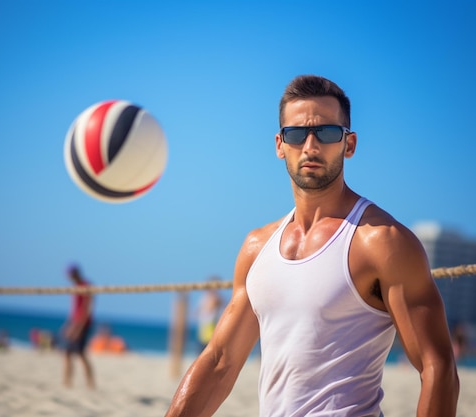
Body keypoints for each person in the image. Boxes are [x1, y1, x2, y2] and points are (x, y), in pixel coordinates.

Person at [164, 75, 459, 417]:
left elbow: (437, 368)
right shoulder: (256, 247)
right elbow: (220, 362)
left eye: (327, 133)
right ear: (279, 145)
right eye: (296, 134)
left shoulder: (382, 241)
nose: (310, 146)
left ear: (349, 144)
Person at [62, 264, 96, 389]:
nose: (68, 277)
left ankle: (90, 384)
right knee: (67, 353)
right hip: (75, 323)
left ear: (75, 273)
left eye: (70, 274)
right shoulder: (76, 287)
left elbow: (86, 309)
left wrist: (78, 328)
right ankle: (67, 383)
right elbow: (75, 310)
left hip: (82, 324)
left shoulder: (85, 286)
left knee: (81, 354)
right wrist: (69, 325)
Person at [196, 276, 224, 352]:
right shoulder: (204, 298)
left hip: (211, 334)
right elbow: (198, 313)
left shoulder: (217, 298)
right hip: (204, 334)